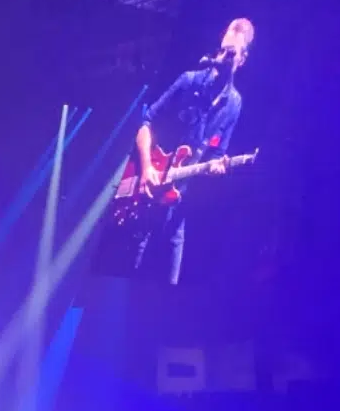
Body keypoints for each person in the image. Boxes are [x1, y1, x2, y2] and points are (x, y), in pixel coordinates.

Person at [101, 18, 255, 284]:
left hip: (178, 201)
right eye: (221, 50)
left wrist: (216, 167)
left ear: (242, 60)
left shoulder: (235, 104)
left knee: (168, 280)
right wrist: (147, 166)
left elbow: (216, 154)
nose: (222, 57)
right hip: (147, 189)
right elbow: (146, 123)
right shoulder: (189, 81)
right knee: (124, 272)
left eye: (230, 54)